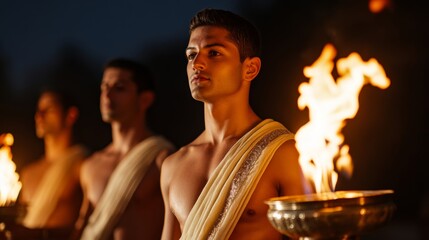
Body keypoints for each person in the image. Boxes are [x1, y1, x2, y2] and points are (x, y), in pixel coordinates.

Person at [160, 8, 313, 240]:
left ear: (250, 68)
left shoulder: (282, 153)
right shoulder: (173, 165)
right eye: (191, 55)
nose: (197, 63)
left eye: (214, 53)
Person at [72, 58, 175, 240]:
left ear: (145, 99)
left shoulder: (163, 159)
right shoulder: (91, 165)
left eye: (119, 88)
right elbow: (82, 229)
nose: (107, 96)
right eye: (104, 87)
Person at [16, 87, 89, 239]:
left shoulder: (83, 166)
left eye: (49, 109)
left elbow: (90, 223)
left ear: (70, 115)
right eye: (38, 110)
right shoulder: (28, 173)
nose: (39, 115)